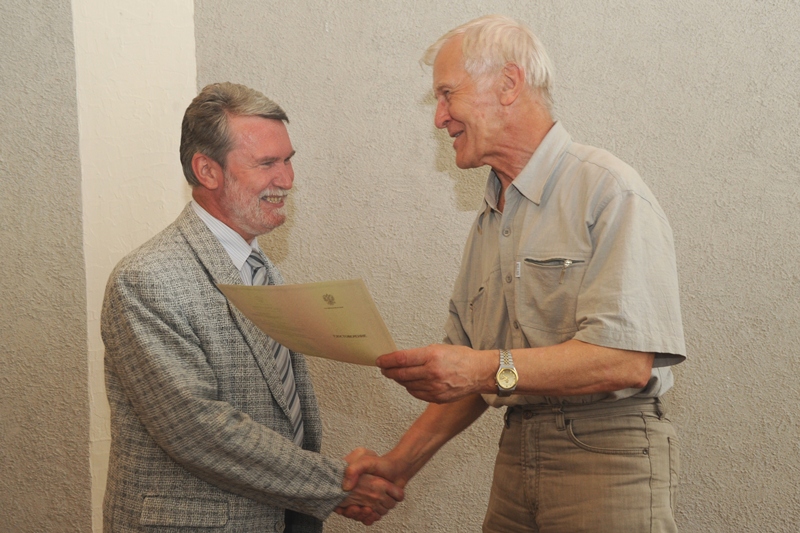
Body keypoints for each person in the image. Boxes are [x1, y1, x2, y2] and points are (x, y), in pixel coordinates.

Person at [343, 15, 686, 533]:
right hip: (516, 450)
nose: (439, 118)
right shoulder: (490, 219)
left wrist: (482, 369)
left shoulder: (608, 190)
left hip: (607, 456)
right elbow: (473, 373)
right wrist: (398, 465)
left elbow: (626, 361)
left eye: (447, 94)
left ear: (508, 84)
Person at [101, 82, 402, 532]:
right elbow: (197, 430)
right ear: (207, 170)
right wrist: (337, 484)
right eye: (267, 163)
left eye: (288, 160)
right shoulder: (148, 279)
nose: (287, 179)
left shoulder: (260, 269)